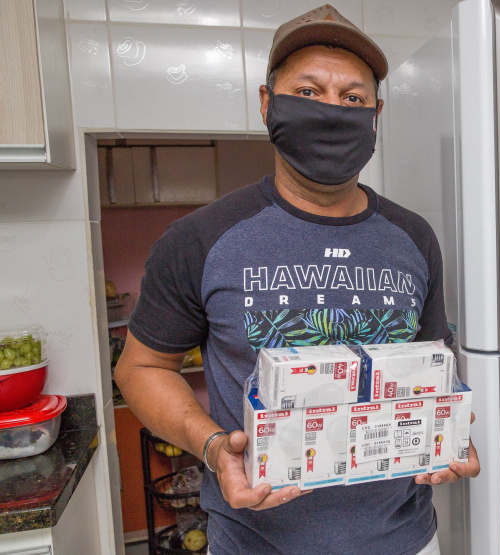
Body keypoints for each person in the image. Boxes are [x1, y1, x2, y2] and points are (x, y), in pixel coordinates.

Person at [113, 5, 480, 554]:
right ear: (268, 104)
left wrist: (448, 430)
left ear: (375, 115)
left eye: (352, 98)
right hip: (255, 543)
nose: (332, 110)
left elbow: (433, 359)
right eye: (308, 92)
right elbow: (141, 367)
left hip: (404, 540)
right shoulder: (201, 238)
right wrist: (214, 447)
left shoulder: (413, 236)